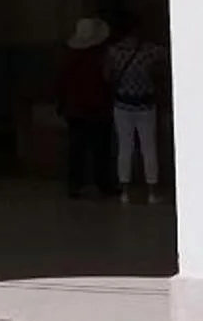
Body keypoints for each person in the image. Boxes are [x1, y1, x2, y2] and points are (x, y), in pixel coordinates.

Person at [103, 11, 169, 203]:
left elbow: (107, 76)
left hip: (122, 104)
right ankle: (152, 192)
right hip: (145, 104)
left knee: (125, 148)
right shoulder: (150, 51)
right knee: (149, 147)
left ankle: (124, 191)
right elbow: (165, 59)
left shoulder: (114, 52)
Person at [55, 18, 116, 198]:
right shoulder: (102, 56)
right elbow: (108, 80)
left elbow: (61, 83)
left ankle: (75, 184)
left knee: (77, 150)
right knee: (101, 149)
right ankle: (104, 184)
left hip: (75, 110)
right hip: (99, 109)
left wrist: (60, 105)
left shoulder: (68, 58)